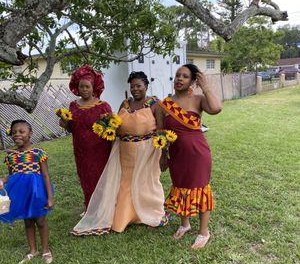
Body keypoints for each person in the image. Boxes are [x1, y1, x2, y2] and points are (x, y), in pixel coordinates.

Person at [71, 71, 168, 236]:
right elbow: (116, 124)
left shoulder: (155, 104)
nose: (135, 89)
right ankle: (126, 216)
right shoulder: (125, 103)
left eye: (139, 86)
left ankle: (151, 212)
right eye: (132, 86)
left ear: (146, 86)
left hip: (147, 151)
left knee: (147, 182)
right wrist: (107, 124)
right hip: (125, 150)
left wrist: (164, 154)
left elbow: (161, 129)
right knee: (125, 183)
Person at [157, 64, 222, 249]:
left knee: (201, 189)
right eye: (178, 75)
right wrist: (163, 156)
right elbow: (161, 133)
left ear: (193, 81)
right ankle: (185, 224)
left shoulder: (199, 99)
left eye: (185, 76)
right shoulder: (164, 105)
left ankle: (204, 232)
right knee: (180, 188)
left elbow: (216, 108)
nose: (179, 79)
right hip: (177, 155)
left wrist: (206, 86)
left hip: (198, 154)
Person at [0, 120, 54, 264]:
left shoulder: (38, 153)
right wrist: (3, 181)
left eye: (21, 131)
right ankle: (33, 250)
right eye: (14, 132)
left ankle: (46, 250)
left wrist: (50, 197)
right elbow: (12, 175)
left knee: (40, 220)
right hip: (21, 192)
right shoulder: (10, 156)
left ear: (30, 134)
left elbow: (45, 175)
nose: (17, 134)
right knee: (27, 221)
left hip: (37, 191)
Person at [59, 65, 112, 212]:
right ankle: (90, 206)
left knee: (101, 177)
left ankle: (104, 207)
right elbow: (71, 128)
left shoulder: (103, 106)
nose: (84, 89)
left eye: (87, 86)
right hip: (81, 150)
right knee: (85, 177)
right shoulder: (73, 106)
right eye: (81, 86)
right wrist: (64, 123)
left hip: (101, 150)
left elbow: (111, 129)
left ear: (93, 87)